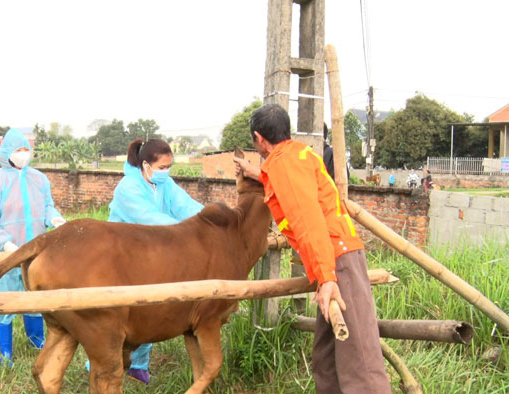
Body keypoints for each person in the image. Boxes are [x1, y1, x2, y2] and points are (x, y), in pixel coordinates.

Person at [233, 104, 390, 393]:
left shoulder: (283, 164)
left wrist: (327, 278)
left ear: (258, 138)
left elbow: (308, 221)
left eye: (254, 143)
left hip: (335, 259)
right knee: (327, 358)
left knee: (360, 362)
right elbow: (280, 181)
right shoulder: (297, 154)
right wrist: (251, 171)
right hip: (333, 258)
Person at [102, 137, 204, 384]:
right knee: (119, 316)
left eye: (169, 167)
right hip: (122, 257)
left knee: (150, 310)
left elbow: (186, 205)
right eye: (161, 167)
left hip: (151, 254)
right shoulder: (128, 187)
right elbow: (149, 218)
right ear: (146, 165)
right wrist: (185, 231)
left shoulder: (165, 184)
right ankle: (100, 365)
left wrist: (209, 220)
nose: (165, 172)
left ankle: (138, 366)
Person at [0, 128, 66, 365]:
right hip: (7, 253)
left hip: (37, 252)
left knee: (34, 297)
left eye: (26, 149)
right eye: (18, 150)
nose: (23, 154)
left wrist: (55, 219)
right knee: (6, 301)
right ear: (7, 152)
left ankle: (36, 339)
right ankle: (5, 352)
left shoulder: (39, 179)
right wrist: (5, 243)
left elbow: (48, 206)